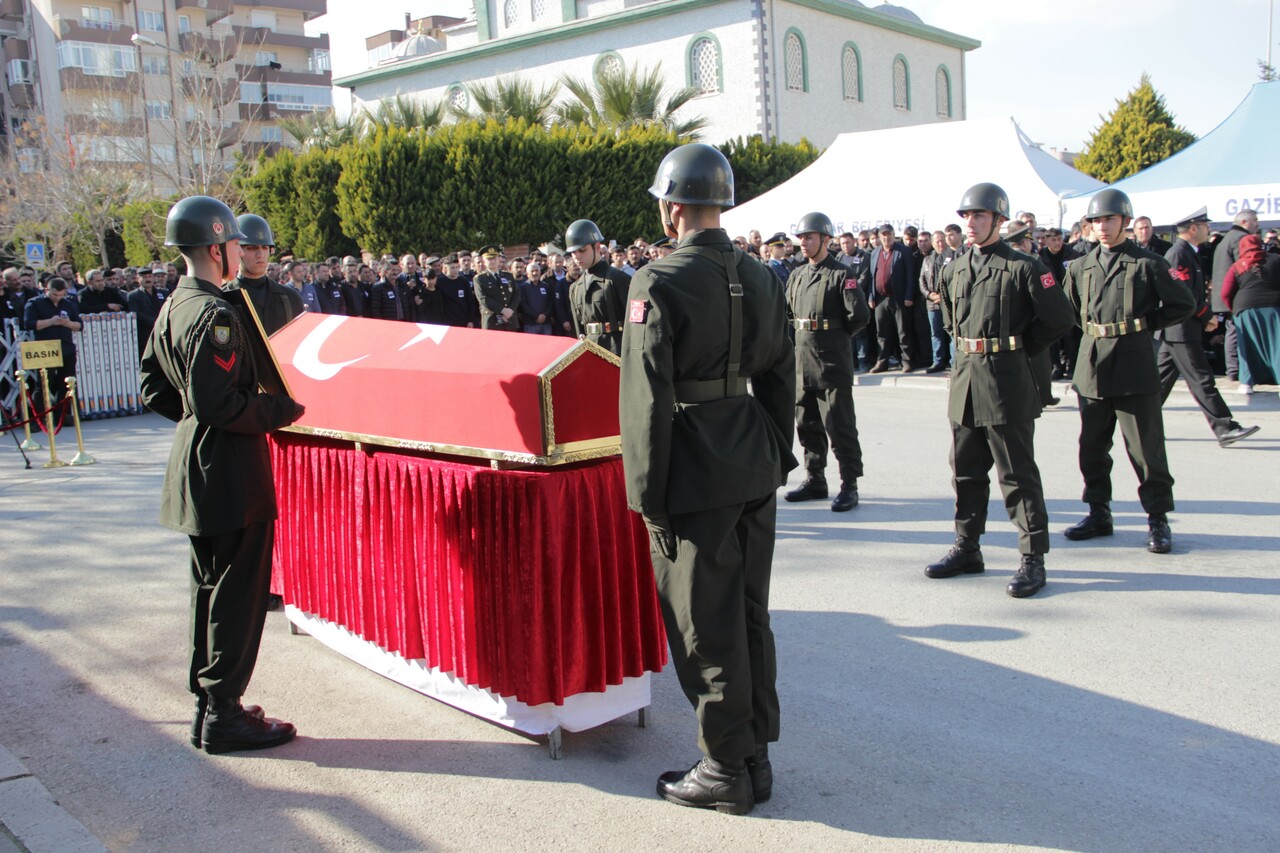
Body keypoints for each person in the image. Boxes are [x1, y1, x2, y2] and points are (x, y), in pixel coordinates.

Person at [621, 143, 796, 815]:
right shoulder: (762, 275)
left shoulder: (656, 281)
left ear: (673, 208)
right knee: (750, 611)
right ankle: (754, 751)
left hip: (693, 470)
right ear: (719, 203)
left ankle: (724, 765)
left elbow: (646, 399)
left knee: (704, 621)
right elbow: (783, 373)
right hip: (752, 453)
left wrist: (646, 495)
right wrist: (775, 448)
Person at [139, 195, 304, 754]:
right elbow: (218, 404)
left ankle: (208, 706)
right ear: (217, 247)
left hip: (196, 469)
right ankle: (225, 714)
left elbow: (155, 391)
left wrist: (196, 422)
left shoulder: (173, 307)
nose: (240, 251)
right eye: (237, 242)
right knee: (236, 596)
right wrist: (282, 411)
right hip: (231, 471)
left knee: (209, 592)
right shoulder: (217, 315)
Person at [928, 182, 1074, 598]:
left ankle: (1033, 557)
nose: (971, 223)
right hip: (966, 380)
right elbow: (953, 323)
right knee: (966, 471)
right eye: (966, 216)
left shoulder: (1024, 267)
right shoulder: (952, 268)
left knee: (1017, 475)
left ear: (998, 219)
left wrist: (1021, 348)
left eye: (980, 216)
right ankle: (968, 546)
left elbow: (1060, 318)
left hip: (1007, 380)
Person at [1060, 188, 1195, 554]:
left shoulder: (1148, 262)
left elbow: (1183, 303)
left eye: (1109, 219)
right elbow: (1070, 309)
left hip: (1134, 362)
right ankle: (1098, 512)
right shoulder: (1079, 266)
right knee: (1091, 447)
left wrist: (1148, 322)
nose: (1102, 227)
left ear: (1124, 221)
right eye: (1096, 221)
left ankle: (1158, 519)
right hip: (1092, 364)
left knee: (1146, 450)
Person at [782, 211, 870, 512]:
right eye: (801, 238)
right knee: (806, 422)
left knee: (839, 424)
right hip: (803, 359)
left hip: (832, 361)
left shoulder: (841, 275)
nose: (803, 243)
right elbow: (789, 314)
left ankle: (850, 484)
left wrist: (834, 338)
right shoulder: (797, 275)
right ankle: (815, 478)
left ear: (826, 239)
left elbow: (858, 316)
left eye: (809, 237)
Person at [1157, 208, 1259, 447]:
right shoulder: (1179, 253)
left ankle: (1142, 424)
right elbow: (1183, 292)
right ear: (1193, 228)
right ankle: (1224, 427)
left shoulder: (1188, 252)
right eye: (1205, 225)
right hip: (1181, 328)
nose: (1208, 229)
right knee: (1202, 379)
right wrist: (1206, 316)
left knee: (1157, 385)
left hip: (1179, 329)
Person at [223, 214, 304, 336]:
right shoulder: (224, 297)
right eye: (251, 248)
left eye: (265, 248)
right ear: (238, 250)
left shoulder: (290, 298)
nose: (260, 254)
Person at [1222, 234, 1280, 392]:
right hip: (1274, 308)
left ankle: (1246, 383)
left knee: (1246, 346)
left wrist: (1235, 310)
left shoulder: (1237, 265)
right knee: (1277, 345)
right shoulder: (1276, 259)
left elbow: (1225, 293)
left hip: (1244, 308)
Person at [566, 220, 629, 355]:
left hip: (618, 350)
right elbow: (579, 330)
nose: (577, 256)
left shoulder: (618, 279)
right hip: (589, 352)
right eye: (573, 252)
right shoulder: (575, 288)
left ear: (597, 247)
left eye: (582, 250)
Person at [1211, 209, 1258, 382]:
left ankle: (1233, 369)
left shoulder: (1227, 238)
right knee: (1235, 331)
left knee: (1232, 331)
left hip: (1225, 293)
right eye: (1254, 220)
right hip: (1235, 294)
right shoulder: (1240, 239)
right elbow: (1245, 269)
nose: (1257, 224)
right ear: (1244, 222)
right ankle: (1234, 369)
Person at [22, 277, 82, 410]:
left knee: (66, 382)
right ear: (46, 290)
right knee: (44, 384)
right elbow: (28, 324)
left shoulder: (67, 303)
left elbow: (79, 325)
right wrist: (50, 321)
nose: (58, 298)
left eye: (61, 295)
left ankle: (63, 414)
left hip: (66, 347)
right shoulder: (35, 303)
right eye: (55, 294)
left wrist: (68, 323)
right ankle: (39, 416)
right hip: (45, 348)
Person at [867, 223, 916, 372]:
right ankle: (882, 362)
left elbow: (910, 275)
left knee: (903, 331)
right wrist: (871, 296)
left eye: (888, 234)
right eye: (883, 235)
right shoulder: (875, 253)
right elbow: (872, 276)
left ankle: (906, 361)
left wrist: (909, 295)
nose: (886, 237)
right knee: (881, 333)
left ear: (894, 235)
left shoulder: (904, 251)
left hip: (899, 298)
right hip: (881, 299)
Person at [473, 245, 521, 331]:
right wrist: (502, 310)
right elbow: (483, 298)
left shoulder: (508, 275)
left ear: (499, 259)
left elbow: (516, 294)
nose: (492, 261)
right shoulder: (479, 278)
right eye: (489, 259)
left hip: (510, 319)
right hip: (492, 320)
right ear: (484, 261)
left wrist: (510, 310)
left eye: (494, 258)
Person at [127, 266, 170, 357]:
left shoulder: (163, 293)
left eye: (149, 276)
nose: (148, 279)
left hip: (162, 331)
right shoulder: (133, 296)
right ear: (138, 279)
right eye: (144, 277)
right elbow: (137, 313)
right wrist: (155, 322)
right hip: (145, 334)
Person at [518, 262, 556, 334]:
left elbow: (551, 303)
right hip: (530, 324)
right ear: (527, 274)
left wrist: (545, 315)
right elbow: (523, 305)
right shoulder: (523, 287)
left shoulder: (546, 286)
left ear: (540, 272)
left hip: (546, 323)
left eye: (537, 270)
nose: (535, 273)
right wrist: (536, 316)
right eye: (532, 271)